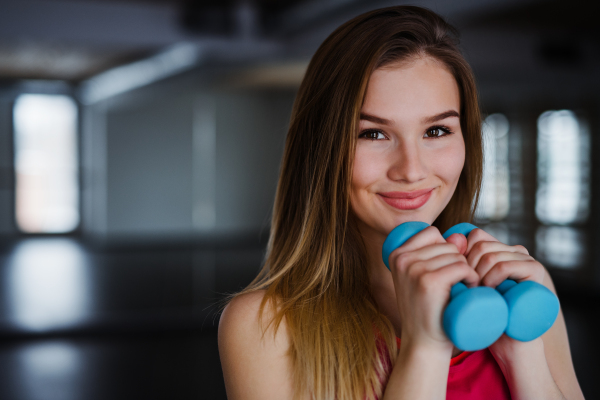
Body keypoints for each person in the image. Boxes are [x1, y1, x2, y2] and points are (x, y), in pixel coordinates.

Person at [218, 5, 585, 400]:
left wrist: (523, 358)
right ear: (321, 150)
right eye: (373, 135)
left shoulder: (525, 286)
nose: (411, 170)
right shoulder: (264, 326)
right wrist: (424, 347)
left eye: (437, 130)